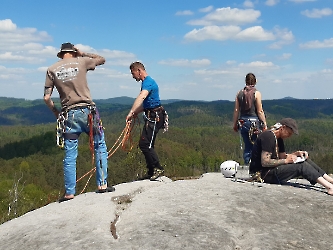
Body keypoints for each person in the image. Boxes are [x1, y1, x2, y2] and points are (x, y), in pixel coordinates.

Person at [44, 42, 115, 202]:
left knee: (70, 154)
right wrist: (82, 53)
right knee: (99, 145)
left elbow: (47, 97)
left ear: (61, 54)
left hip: (69, 115)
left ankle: (69, 193)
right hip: (89, 111)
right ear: (73, 52)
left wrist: (57, 113)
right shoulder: (81, 61)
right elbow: (101, 59)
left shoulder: (51, 69)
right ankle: (102, 185)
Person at [249, 117, 333, 195]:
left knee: (303, 159)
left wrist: (296, 154)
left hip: (270, 170)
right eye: (289, 133)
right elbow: (265, 162)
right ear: (283, 128)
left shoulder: (278, 138)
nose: (289, 136)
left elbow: (282, 156)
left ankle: (329, 180)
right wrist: (286, 161)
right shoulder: (268, 137)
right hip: (263, 174)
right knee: (301, 166)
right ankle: (329, 187)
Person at [126, 61, 168, 181]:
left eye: (133, 73)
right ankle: (151, 171)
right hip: (153, 115)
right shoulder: (147, 82)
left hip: (155, 117)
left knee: (145, 144)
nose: (133, 76)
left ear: (139, 71)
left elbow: (142, 97)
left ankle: (157, 168)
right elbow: (146, 104)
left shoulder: (148, 83)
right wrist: (135, 113)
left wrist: (131, 112)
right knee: (148, 144)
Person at [233, 73, 267, 165]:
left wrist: (235, 124)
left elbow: (236, 110)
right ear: (255, 82)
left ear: (245, 81)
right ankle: (256, 168)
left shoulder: (239, 93)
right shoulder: (257, 93)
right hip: (254, 123)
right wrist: (264, 124)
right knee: (256, 146)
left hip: (242, 122)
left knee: (247, 146)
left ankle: (248, 165)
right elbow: (259, 111)